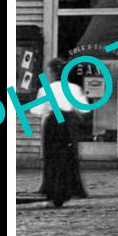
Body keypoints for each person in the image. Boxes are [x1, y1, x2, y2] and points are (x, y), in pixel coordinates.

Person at [38, 59, 90, 208]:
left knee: (52, 156)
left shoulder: (46, 89)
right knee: (68, 155)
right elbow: (85, 108)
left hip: (53, 123)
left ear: (52, 72)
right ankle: (69, 188)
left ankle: (52, 188)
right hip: (68, 123)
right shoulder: (74, 88)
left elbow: (37, 110)